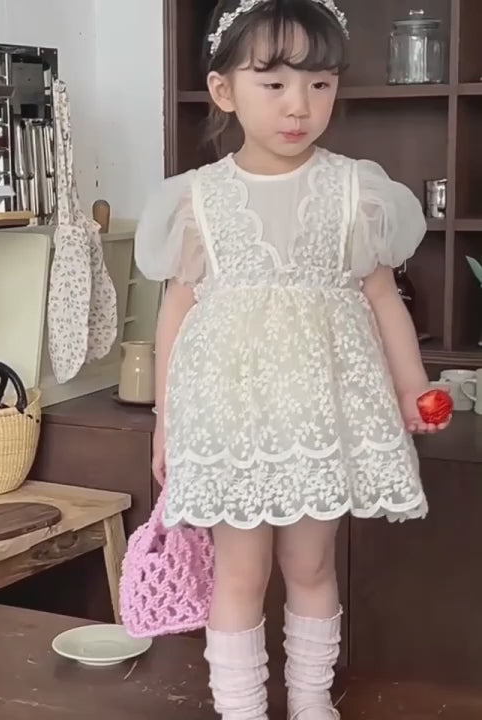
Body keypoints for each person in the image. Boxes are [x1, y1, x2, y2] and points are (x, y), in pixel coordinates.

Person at [134, 1, 449, 718]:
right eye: (273, 83)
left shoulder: (355, 189)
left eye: (320, 83)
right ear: (224, 91)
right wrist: (165, 422)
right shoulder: (198, 199)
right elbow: (176, 314)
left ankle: (311, 701)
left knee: (310, 565)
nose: (299, 105)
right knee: (240, 575)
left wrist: (413, 388)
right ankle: (242, 709)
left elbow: (381, 297)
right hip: (231, 421)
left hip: (319, 418)